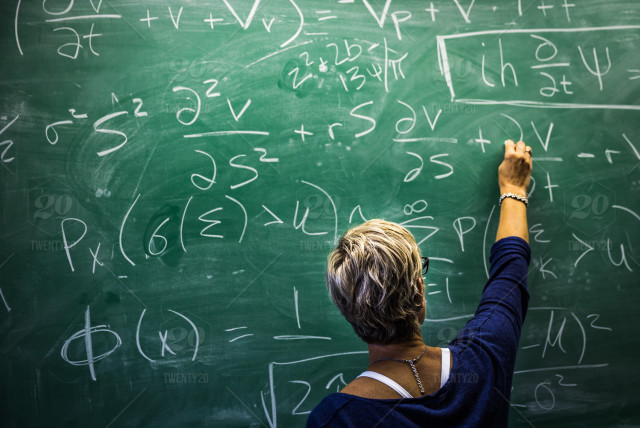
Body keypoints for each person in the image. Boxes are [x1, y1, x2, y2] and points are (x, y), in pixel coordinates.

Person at [307, 140, 533, 427]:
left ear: (345, 309)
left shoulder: (338, 419)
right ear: (418, 291)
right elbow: (510, 268)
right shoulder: (485, 358)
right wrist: (514, 189)